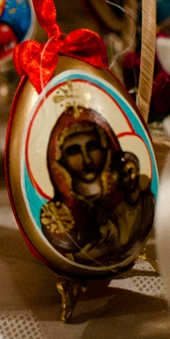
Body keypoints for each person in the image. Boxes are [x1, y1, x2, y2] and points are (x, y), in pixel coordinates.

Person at [39, 106, 122, 266]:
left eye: (92, 146)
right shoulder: (55, 216)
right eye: (74, 151)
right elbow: (62, 253)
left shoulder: (122, 202)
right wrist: (81, 259)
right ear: (59, 159)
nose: (87, 160)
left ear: (106, 149)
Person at [109, 151, 155, 262]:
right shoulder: (116, 211)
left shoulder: (149, 202)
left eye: (131, 171)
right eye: (124, 175)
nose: (129, 178)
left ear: (138, 171)